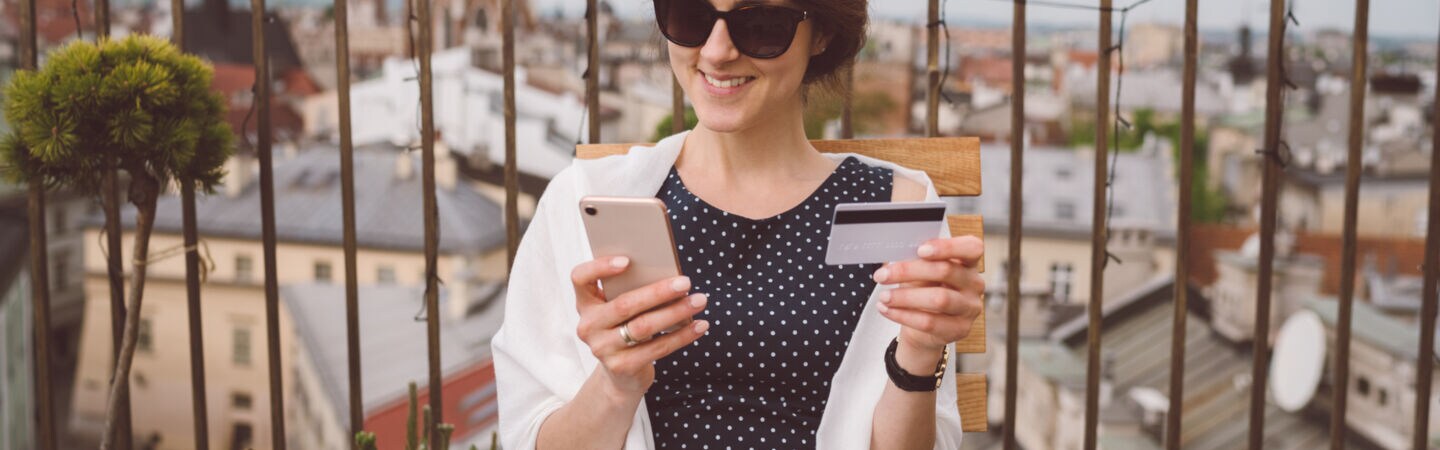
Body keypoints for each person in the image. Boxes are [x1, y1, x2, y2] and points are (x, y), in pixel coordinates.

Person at [491, 0, 985, 448]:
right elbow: (530, 437)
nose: (717, 51)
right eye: (690, 16)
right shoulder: (584, 202)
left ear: (822, 34)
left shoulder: (895, 207)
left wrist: (920, 354)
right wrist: (615, 386)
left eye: (760, 25)